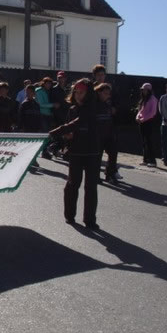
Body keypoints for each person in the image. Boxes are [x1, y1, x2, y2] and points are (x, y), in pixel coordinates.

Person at [50, 79, 101, 229]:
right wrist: (67, 136)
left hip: (92, 152)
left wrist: (54, 132)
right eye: (76, 92)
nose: (78, 95)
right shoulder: (72, 109)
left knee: (91, 187)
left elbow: (75, 124)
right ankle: (69, 215)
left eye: (82, 92)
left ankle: (90, 220)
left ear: (88, 93)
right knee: (72, 184)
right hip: (76, 151)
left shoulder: (93, 108)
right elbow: (69, 129)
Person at [95, 83, 119, 184]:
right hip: (97, 134)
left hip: (109, 133)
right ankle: (95, 176)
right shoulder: (93, 104)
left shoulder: (108, 103)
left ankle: (110, 174)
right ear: (99, 92)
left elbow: (110, 117)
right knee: (97, 156)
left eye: (109, 94)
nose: (108, 95)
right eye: (105, 93)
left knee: (113, 153)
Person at [135, 83, 158, 167]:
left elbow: (153, 113)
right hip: (142, 123)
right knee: (144, 142)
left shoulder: (153, 99)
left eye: (145, 90)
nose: (143, 91)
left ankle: (153, 161)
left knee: (149, 141)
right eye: (142, 90)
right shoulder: (143, 99)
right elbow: (140, 110)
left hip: (149, 122)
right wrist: (137, 117)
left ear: (149, 90)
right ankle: (145, 160)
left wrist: (143, 119)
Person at [35, 77, 59, 159]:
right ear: (43, 83)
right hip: (42, 114)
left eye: (50, 83)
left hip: (49, 115)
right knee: (44, 134)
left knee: (48, 134)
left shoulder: (49, 91)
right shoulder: (39, 91)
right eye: (47, 83)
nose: (48, 85)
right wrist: (53, 105)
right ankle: (43, 152)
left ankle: (45, 151)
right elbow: (41, 104)